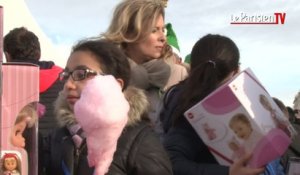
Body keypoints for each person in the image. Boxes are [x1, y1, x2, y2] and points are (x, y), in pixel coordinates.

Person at [41, 39, 172, 175]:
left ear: (115, 84)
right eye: (67, 74)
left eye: (81, 74)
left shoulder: (139, 142)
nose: (68, 84)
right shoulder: (58, 137)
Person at [161, 34, 271, 175]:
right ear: (236, 71)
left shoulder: (184, 97)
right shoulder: (193, 106)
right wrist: (228, 173)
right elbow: (172, 162)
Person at [101, 0, 187, 134]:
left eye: (162, 30)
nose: (163, 38)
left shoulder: (174, 74)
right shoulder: (101, 73)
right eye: (154, 30)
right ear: (129, 32)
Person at [3, 27, 64, 138]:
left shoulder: (4, 80)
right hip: (56, 151)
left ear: (7, 56)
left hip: (13, 151)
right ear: (39, 54)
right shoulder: (65, 79)